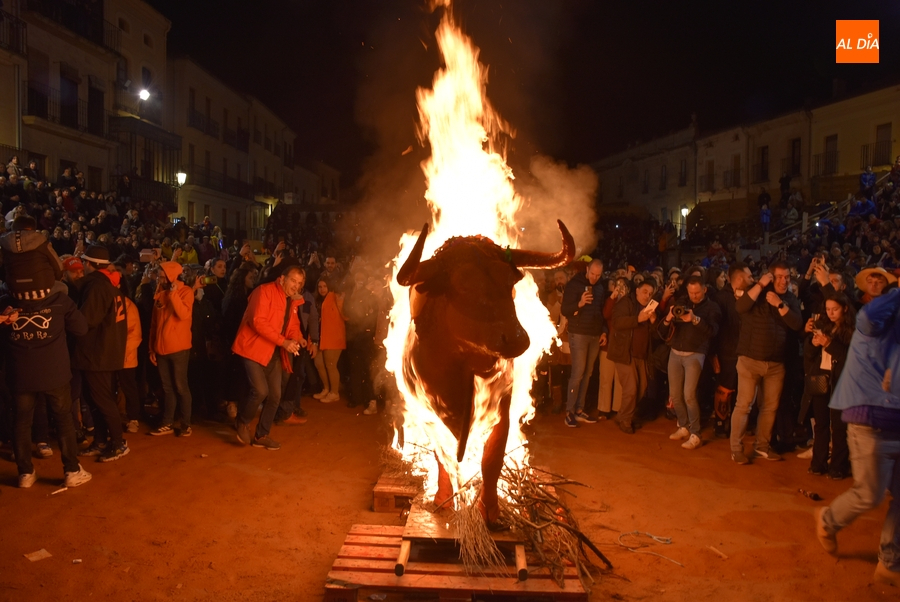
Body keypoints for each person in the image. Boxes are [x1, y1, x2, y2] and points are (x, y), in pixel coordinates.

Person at [815, 287, 900, 587]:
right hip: (870, 421)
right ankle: (828, 521)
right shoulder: (872, 323)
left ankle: (889, 562)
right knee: (870, 493)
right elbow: (869, 314)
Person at [0, 282, 92, 488]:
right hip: (54, 373)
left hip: (20, 374)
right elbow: (81, 328)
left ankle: (25, 473)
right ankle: (71, 470)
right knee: (64, 420)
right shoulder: (59, 300)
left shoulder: (6, 301)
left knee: (21, 423)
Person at [730, 262, 802, 464]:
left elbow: (797, 324)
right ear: (770, 277)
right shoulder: (757, 292)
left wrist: (780, 304)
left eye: (787, 276)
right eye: (779, 277)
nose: (784, 280)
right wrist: (760, 286)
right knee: (744, 405)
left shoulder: (789, 299)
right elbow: (741, 306)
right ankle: (736, 448)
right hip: (749, 359)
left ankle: (762, 446)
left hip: (776, 363)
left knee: (770, 407)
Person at [232, 265, 307, 450]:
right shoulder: (263, 291)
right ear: (282, 279)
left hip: (272, 351)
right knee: (260, 391)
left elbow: (291, 324)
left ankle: (261, 435)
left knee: (275, 395)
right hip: (252, 348)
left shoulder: (292, 301)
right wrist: (284, 342)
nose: (295, 286)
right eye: (293, 281)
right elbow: (258, 321)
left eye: (299, 283)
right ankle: (242, 421)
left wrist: (297, 338)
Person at [73, 245, 131, 462]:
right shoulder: (109, 284)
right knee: (95, 399)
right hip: (103, 353)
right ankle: (100, 441)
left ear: (89, 264)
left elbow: (86, 321)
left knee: (102, 400)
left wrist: (68, 317)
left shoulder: (97, 286)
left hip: (97, 354)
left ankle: (118, 443)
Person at [658, 276, 722, 450]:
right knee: (675, 394)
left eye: (697, 292)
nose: (694, 295)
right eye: (691, 292)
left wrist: (695, 320)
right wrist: (670, 316)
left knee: (689, 395)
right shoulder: (681, 303)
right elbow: (662, 331)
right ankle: (684, 426)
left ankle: (696, 433)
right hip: (675, 353)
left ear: (704, 290)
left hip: (695, 354)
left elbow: (713, 331)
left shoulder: (712, 307)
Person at [802, 294, 854, 479]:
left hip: (841, 382)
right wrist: (812, 342)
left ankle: (839, 466)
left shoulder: (851, 331)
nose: (831, 313)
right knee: (821, 424)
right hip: (821, 378)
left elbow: (849, 358)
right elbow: (808, 355)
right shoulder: (824, 325)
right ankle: (818, 463)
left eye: (835, 309)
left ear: (845, 309)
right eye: (828, 309)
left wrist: (829, 344)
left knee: (839, 426)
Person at [148, 262, 194, 436]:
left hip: (178, 349)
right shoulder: (159, 293)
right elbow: (154, 324)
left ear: (171, 276)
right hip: (161, 349)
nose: (159, 279)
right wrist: (151, 348)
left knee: (181, 387)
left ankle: (185, 423)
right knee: (167, 388)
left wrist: (173, 293)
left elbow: (183, 315)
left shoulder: (186, 292)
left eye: (162, 276)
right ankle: (167, 422)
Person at [560, 259, 608, 428]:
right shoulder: (575, 284)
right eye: (592, 274)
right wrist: (579, 303)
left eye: (598, 275)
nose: (594, 278)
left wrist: (604, 331)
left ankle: (579, 410)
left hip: (594, 335)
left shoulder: (601, 287)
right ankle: (569, 412)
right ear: (587, 269)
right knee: (578, 372)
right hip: (578, 334)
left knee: (587, 373)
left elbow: (601, 312)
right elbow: (565, 310)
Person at [607, 279, 657, 433]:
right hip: (625, 353)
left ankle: (622, 416)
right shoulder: (626, 303)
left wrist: (654, 321)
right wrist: (638, 319)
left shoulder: (650, 308)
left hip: (641, 355)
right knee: (631, 389)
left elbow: (656, 334)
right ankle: (626, 420)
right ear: (636, 291)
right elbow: (616, 322)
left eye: (650, 293)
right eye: (644, 292)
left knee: (641, 389)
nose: (647, 296)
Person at [711, 262, 752, 438]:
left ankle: (738, 425)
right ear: (740, 278)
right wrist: (714, 354)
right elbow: (715, 328)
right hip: (726, 352)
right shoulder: (721, 298)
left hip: (746, 352)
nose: (753, 279)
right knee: (725, 390)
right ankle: (720, 423)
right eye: (749, 276)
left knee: (743, 392)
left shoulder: (751, 296)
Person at [0, 215, 63, 299]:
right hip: (43, 290)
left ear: (13, 227)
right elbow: (58, 267)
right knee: (64, 287)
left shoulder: (4, 243)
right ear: (33, 228)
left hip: (14, 291)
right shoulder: (42, 241)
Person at [313, 277, 347, 403]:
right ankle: (327, 389)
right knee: (319, 363)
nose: (322, 289)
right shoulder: (317, 300)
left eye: (324, 286)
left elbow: (345, 314)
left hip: (334, 337)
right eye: (320, 287)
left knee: (330, 365)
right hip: (321, 337)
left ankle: (334, 392)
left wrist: (342, 301)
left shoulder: (336, 297)